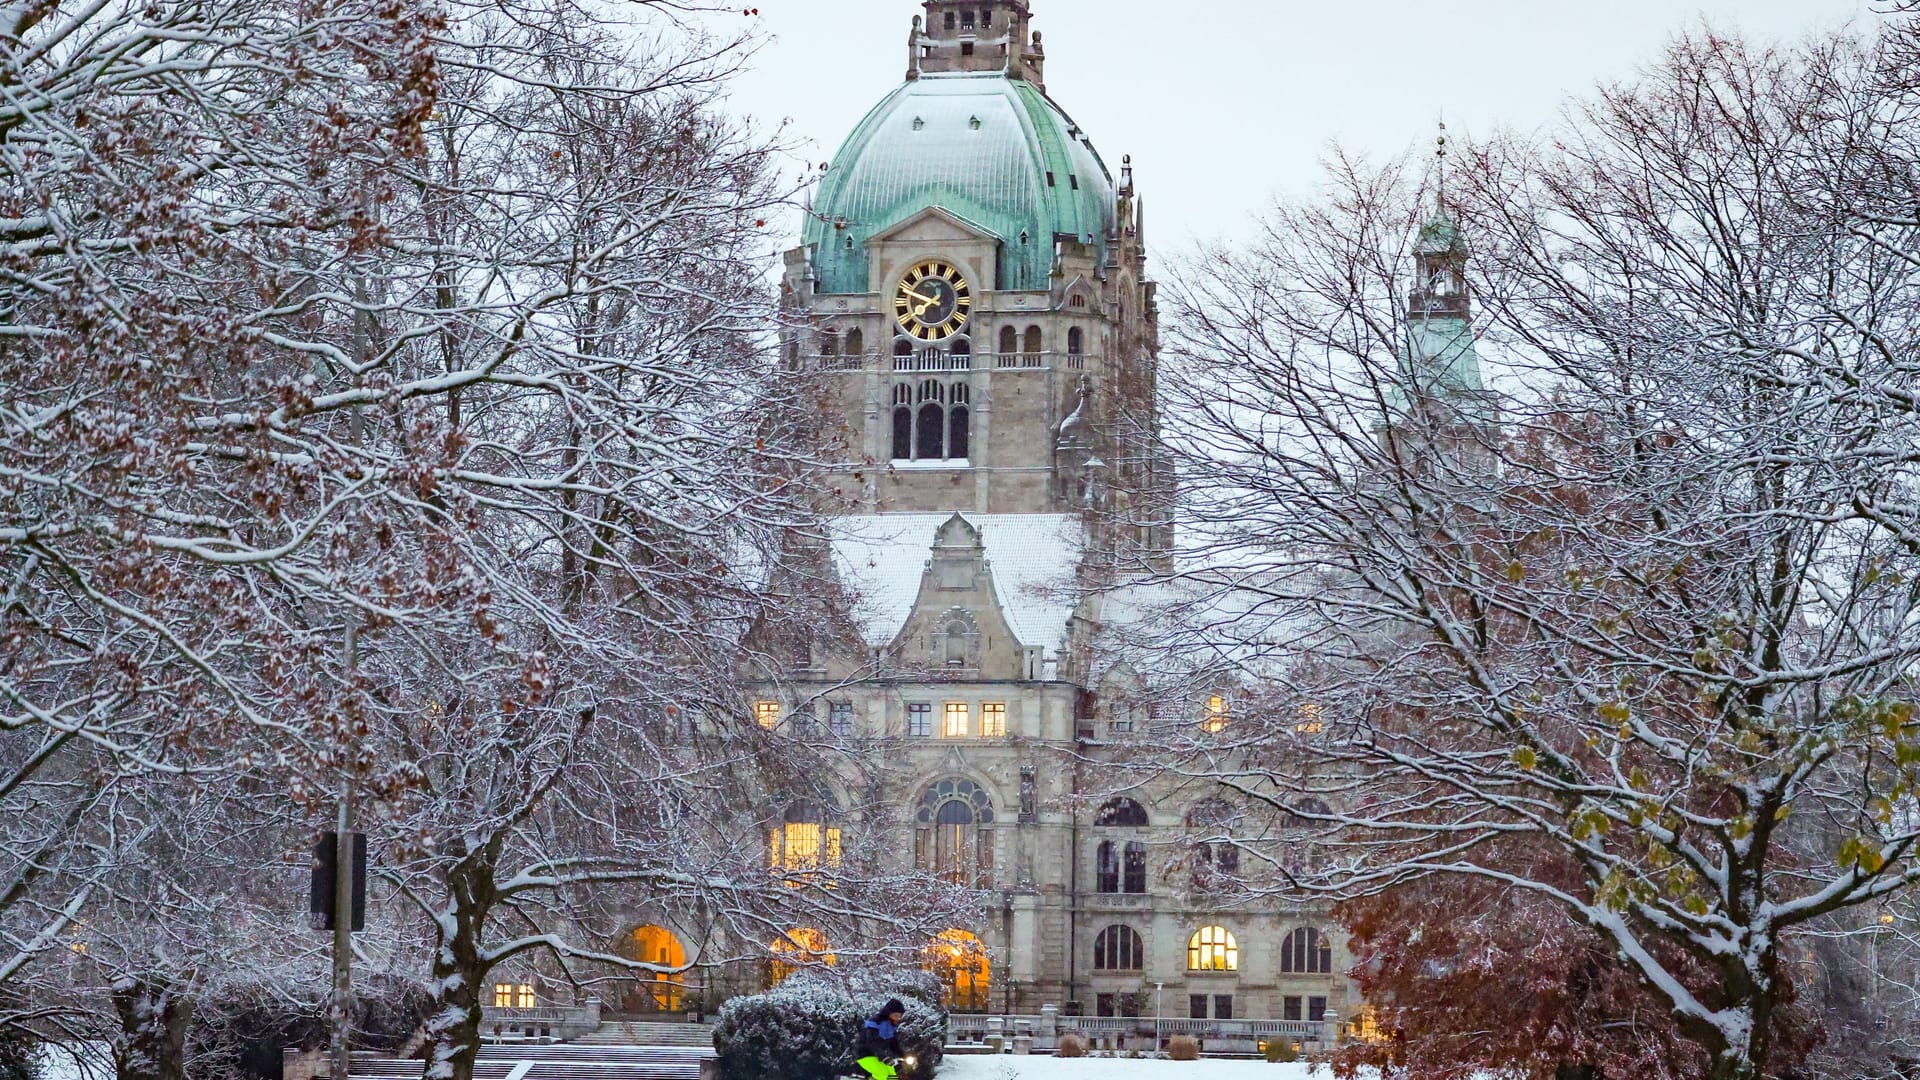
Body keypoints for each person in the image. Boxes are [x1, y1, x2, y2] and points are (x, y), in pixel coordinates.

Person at [852, 998, 906, 1080]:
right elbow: (873, 1043)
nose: (898, 1018)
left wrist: (902, 1055)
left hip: (878, 1055)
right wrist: (884, 1057)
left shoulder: (891, 1026)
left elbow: (894, 1043)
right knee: (882, 1073)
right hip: (865, 1054)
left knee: (892, 1074)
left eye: (899, 1016)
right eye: (896, 1015)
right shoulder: (875, 1022)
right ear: (889, 1013)